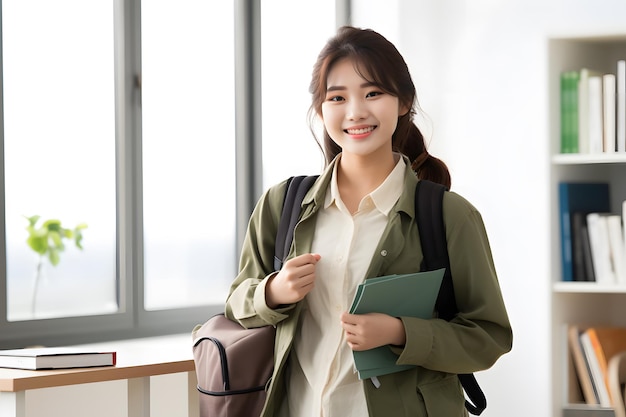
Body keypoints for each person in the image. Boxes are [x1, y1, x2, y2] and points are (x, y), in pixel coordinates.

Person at [225, 26, 512, 417]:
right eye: (337, 97)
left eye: (373, 93)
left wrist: (401, 332)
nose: (355, 111)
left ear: (404, 101)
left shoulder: (450, 215)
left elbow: (488, 336)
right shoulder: (283, 203)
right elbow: (237, 300)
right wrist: (273, 290)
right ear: (321, 109)